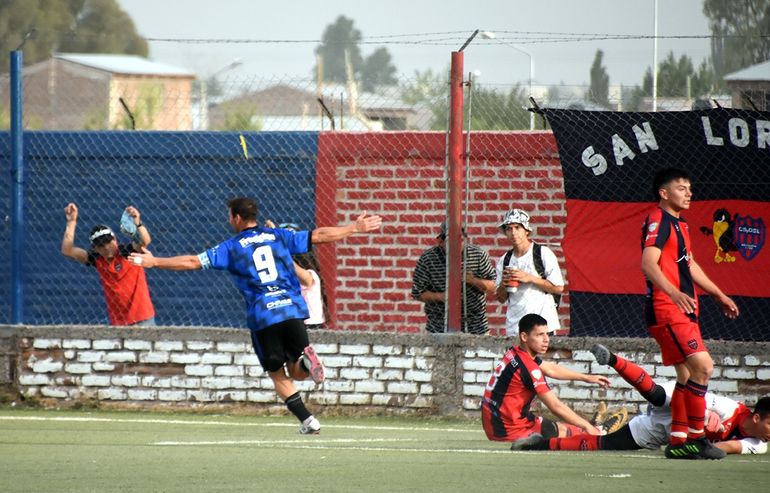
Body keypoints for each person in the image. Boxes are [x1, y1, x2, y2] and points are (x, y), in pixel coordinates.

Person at [128, 197, 382, 434]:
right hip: (293, 310)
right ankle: (306, 361)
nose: (229, 221)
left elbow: (193, 262)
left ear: (237, 218)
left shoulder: (231, 247)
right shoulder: (278, 235)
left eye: (230, 216)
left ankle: (308, 421)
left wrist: (156, 262)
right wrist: (354, 228)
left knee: (277, 374)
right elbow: (319, 235)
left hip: (264, 316)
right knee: (297, 371)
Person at [512, 344, 770, 457]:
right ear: (757, 417)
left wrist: (703, 440)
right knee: (656, 394)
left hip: (661, 432)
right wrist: (701, 418)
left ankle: (538, 444)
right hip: (682, 404)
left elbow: (726, 449)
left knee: (601, 445)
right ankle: (613, 360)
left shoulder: (759, 445)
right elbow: (695, 393)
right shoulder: (728, 409)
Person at [641, 167, 739, 459]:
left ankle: (680, 441)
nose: (689, 193)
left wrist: (718, 293)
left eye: (690, 189)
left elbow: (690, 265)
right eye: (682, 188)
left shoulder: (681, 225)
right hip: (667, 307)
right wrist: (673, 292)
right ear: (664, 193)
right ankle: (697, 438)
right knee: (703, 367)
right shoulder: (657, 219)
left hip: (682, 308)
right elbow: (648, 264)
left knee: (686, 375)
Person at [481, 313, 611, 443]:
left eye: (547, 334)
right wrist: (587, 427)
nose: (546, 339)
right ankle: (599, 431)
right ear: (524, 337)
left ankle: (595, 428)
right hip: (508, 430)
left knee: (562, 429)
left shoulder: (515, 352)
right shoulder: (528, 368)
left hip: (499, 420)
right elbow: (555, 407)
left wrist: (586, 377)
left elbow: (550, 369)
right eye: (539, 335)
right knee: (574, 437)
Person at [60, 203, 156, 326]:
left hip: (142, 318)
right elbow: (67, 250)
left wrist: (138, 222)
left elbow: (145, 241)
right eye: (101, 245)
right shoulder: (97, 259)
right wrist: (71, 222)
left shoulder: (127, 252)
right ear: (94, 248)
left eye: (108, 242)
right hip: (118, 322)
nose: (106, 247)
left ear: (115, 239)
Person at [411, 221, 496, 334]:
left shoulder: (478, 255)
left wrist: (472, 280)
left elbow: (494, 288)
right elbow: (417, 293)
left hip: (476, 326)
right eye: (451, 240)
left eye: (461, 239)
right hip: (438, 327)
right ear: (441, 241)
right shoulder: (429, 259)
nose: (457, 244)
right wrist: (443, 297)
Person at [494, 209, 564, 337]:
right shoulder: (505, 259)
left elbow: (558, 288)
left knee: (542, 358)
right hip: (515, 327)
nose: (513, 232)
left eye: (517, 227)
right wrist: (504, 285)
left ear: (526, 230)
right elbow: (500, 299)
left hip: (542, 325)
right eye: (509, 229)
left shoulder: (542, 253)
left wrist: (529, 278)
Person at [266, 220, 326, 329]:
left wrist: (278, 245)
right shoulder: (281, 274)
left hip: (310, 327)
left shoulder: (309, 274)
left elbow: (305, 279)